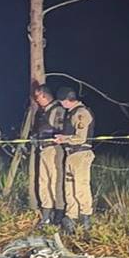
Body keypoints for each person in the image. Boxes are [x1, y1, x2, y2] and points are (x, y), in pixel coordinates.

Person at [54, 87, 95, 234]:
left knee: (80, 188)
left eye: (61, 101)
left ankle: (85, 219)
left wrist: (64, 139)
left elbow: (80, 138)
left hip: (80, 154)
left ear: (66, 100)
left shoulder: (81, 113)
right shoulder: (71, 113)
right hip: (71, 154)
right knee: (69, 189)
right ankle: (71, 218)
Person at [33, 85, 66, 227]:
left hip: (54, 149)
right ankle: (46, 215)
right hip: (44, 149)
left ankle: (58, 214)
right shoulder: (43, 112)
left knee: (55, 181)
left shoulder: (57, 110)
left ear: (44, 95)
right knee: (43, 182)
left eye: (37, 96)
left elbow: (60, 129)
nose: (36, 100)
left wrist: (47, 136)